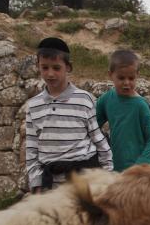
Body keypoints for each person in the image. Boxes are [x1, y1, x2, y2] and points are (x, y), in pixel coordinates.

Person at [24, 37, 113, 192]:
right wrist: (36, 182)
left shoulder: (84, 99)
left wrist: (108, 173)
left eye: (56, 68)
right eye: (45, 68)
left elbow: (97, 137)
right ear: (38, 67)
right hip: (51, 185)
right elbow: (32, 148)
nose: (50, 74)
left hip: (84, 179)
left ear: (68, 67)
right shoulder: (33, 106)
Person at [95, 50, 150, 171]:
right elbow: (92, 124)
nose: (126, 83)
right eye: (121, 78)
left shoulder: (140, 105)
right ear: (110, 75)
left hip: (137, 169)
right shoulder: (107, 98)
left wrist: (140, 167)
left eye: (131, 78)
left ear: (137, 75)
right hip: (115, 164)